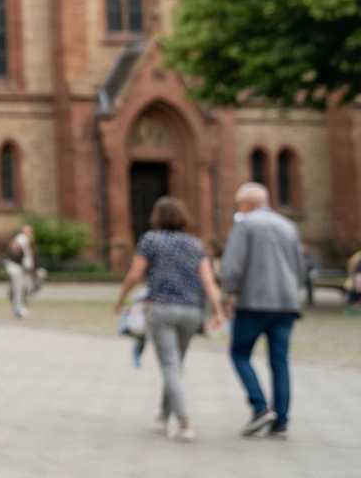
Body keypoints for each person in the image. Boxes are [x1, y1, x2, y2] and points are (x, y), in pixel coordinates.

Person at [113, 196, 226, 441]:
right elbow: (208, 281)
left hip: (161, 310)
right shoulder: (196, 244)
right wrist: (218, 310)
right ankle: (163, 417)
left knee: (170, 366)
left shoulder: (150, 240)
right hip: (191, 312)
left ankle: (184, 423)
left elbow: (135, 274)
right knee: (175, 365)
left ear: (157, 217)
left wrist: (121, 299)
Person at [220, 182, 307, 439]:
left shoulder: (245, 225)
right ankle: (281, 420)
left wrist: (228, 294)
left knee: (239, 353)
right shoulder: (288, 226)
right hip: (286, 304)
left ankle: (260, 408)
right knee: (279, 361)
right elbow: (301, 268)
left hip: (254, 303)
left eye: (238, 205)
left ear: (246, 204)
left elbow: (233, 267)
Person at [3, 224, 36, 317]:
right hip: (16, 267)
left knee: (24, 287)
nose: (31, 233)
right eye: (29, 231)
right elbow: (14, 249)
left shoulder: (26, 240)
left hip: (21, 268)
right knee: (19, 288)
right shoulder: (21, 239)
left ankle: (18, 305)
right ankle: (18, 309)